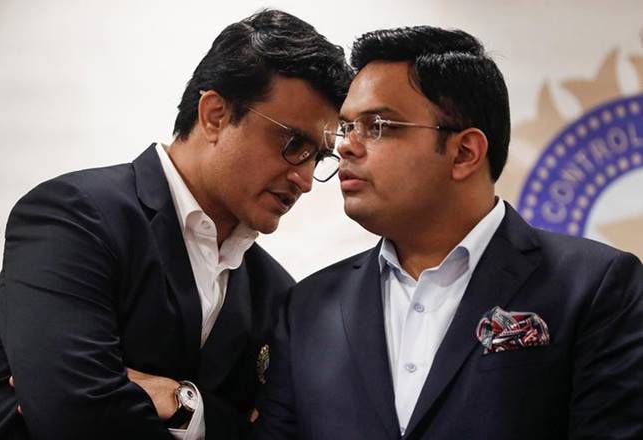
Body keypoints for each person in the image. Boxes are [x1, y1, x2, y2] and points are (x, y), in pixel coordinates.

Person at [253, 26, 643, 440]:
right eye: (346, 128)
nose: (347, 146)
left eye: (377, 125)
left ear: (464, 153)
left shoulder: (595, 287)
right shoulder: (306, 308)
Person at [0, 9, 352, 440]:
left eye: (318, 157)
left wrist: (181, 403)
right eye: (293, 143)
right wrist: (210, 417)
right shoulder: (76, 217)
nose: (305, 179)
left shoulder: (275, 292)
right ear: (215, 114)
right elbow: (71, 414)